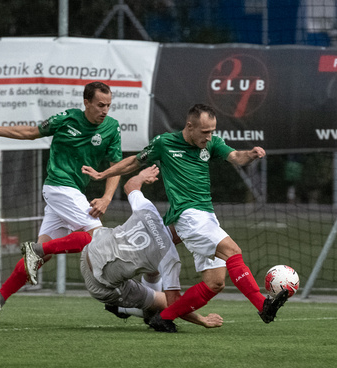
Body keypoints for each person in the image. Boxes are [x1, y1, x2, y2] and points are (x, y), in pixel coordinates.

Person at [81, 104, 289, 332]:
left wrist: (250, 155)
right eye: (205, 132)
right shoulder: (164, 143)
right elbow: (133, 162)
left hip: (207, 217)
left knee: (215, 283)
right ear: (190, 126)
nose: (209, 137)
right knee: (233, 252)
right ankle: (263, 305)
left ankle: (164, 317)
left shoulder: (212, 144)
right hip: (189, 216)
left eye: (212, 131)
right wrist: (104, 174)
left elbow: (236, 156)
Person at [0, 166, 223, 330]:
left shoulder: (148, 210)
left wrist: (141, 176)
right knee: (162, 303)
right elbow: (175, 303)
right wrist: (202, 320)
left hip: (89, 254)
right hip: (101, 286)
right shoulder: (169, 257)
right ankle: (124, 309)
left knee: (98, 235)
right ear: (185, 237)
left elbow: (130, 185)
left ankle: (41, 249)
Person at [0, 81, 123, 327]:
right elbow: (31, 132)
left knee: (39, 258)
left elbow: (115, 165)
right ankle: (121, 299)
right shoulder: (67, 118)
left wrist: (108, 197)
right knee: (98, 240)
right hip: (58, 186)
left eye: (108, 105)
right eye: (100, 105)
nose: (105, 110)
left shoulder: (111, 127)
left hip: (71, 193)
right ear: (86, 102)